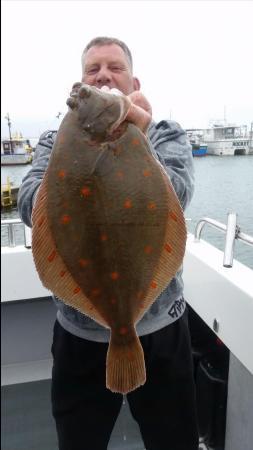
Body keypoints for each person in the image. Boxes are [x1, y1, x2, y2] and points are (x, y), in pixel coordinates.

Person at [18, 36, 199, 450]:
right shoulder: (54, 140)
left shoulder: (163, 132)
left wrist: (141, 131)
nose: (102, 76)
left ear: (134, 82)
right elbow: (30, 206)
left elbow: (179, 198)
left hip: (162, 329)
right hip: (78, 336)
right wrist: (73, 158)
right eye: (91, 70)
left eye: (114, 67)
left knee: (174, 441)